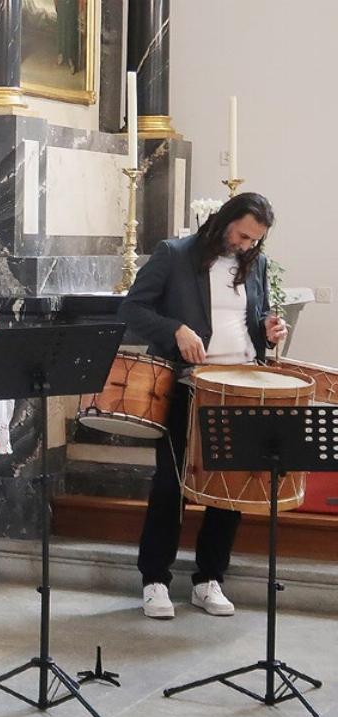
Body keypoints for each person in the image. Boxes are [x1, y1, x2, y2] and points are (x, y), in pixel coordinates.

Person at [120, 192, 288, 619]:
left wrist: (268, 328)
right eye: (243, 234)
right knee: (170, 486)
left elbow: (255, 316)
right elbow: (132, 308)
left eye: (256, 240)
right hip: (189, 385)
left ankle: (209, 579)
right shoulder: (174, 254)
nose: (247, 244)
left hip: (243, 384)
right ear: (225, 220)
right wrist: (176, 329)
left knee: (229, 491)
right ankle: (155, 580)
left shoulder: (256, 263)